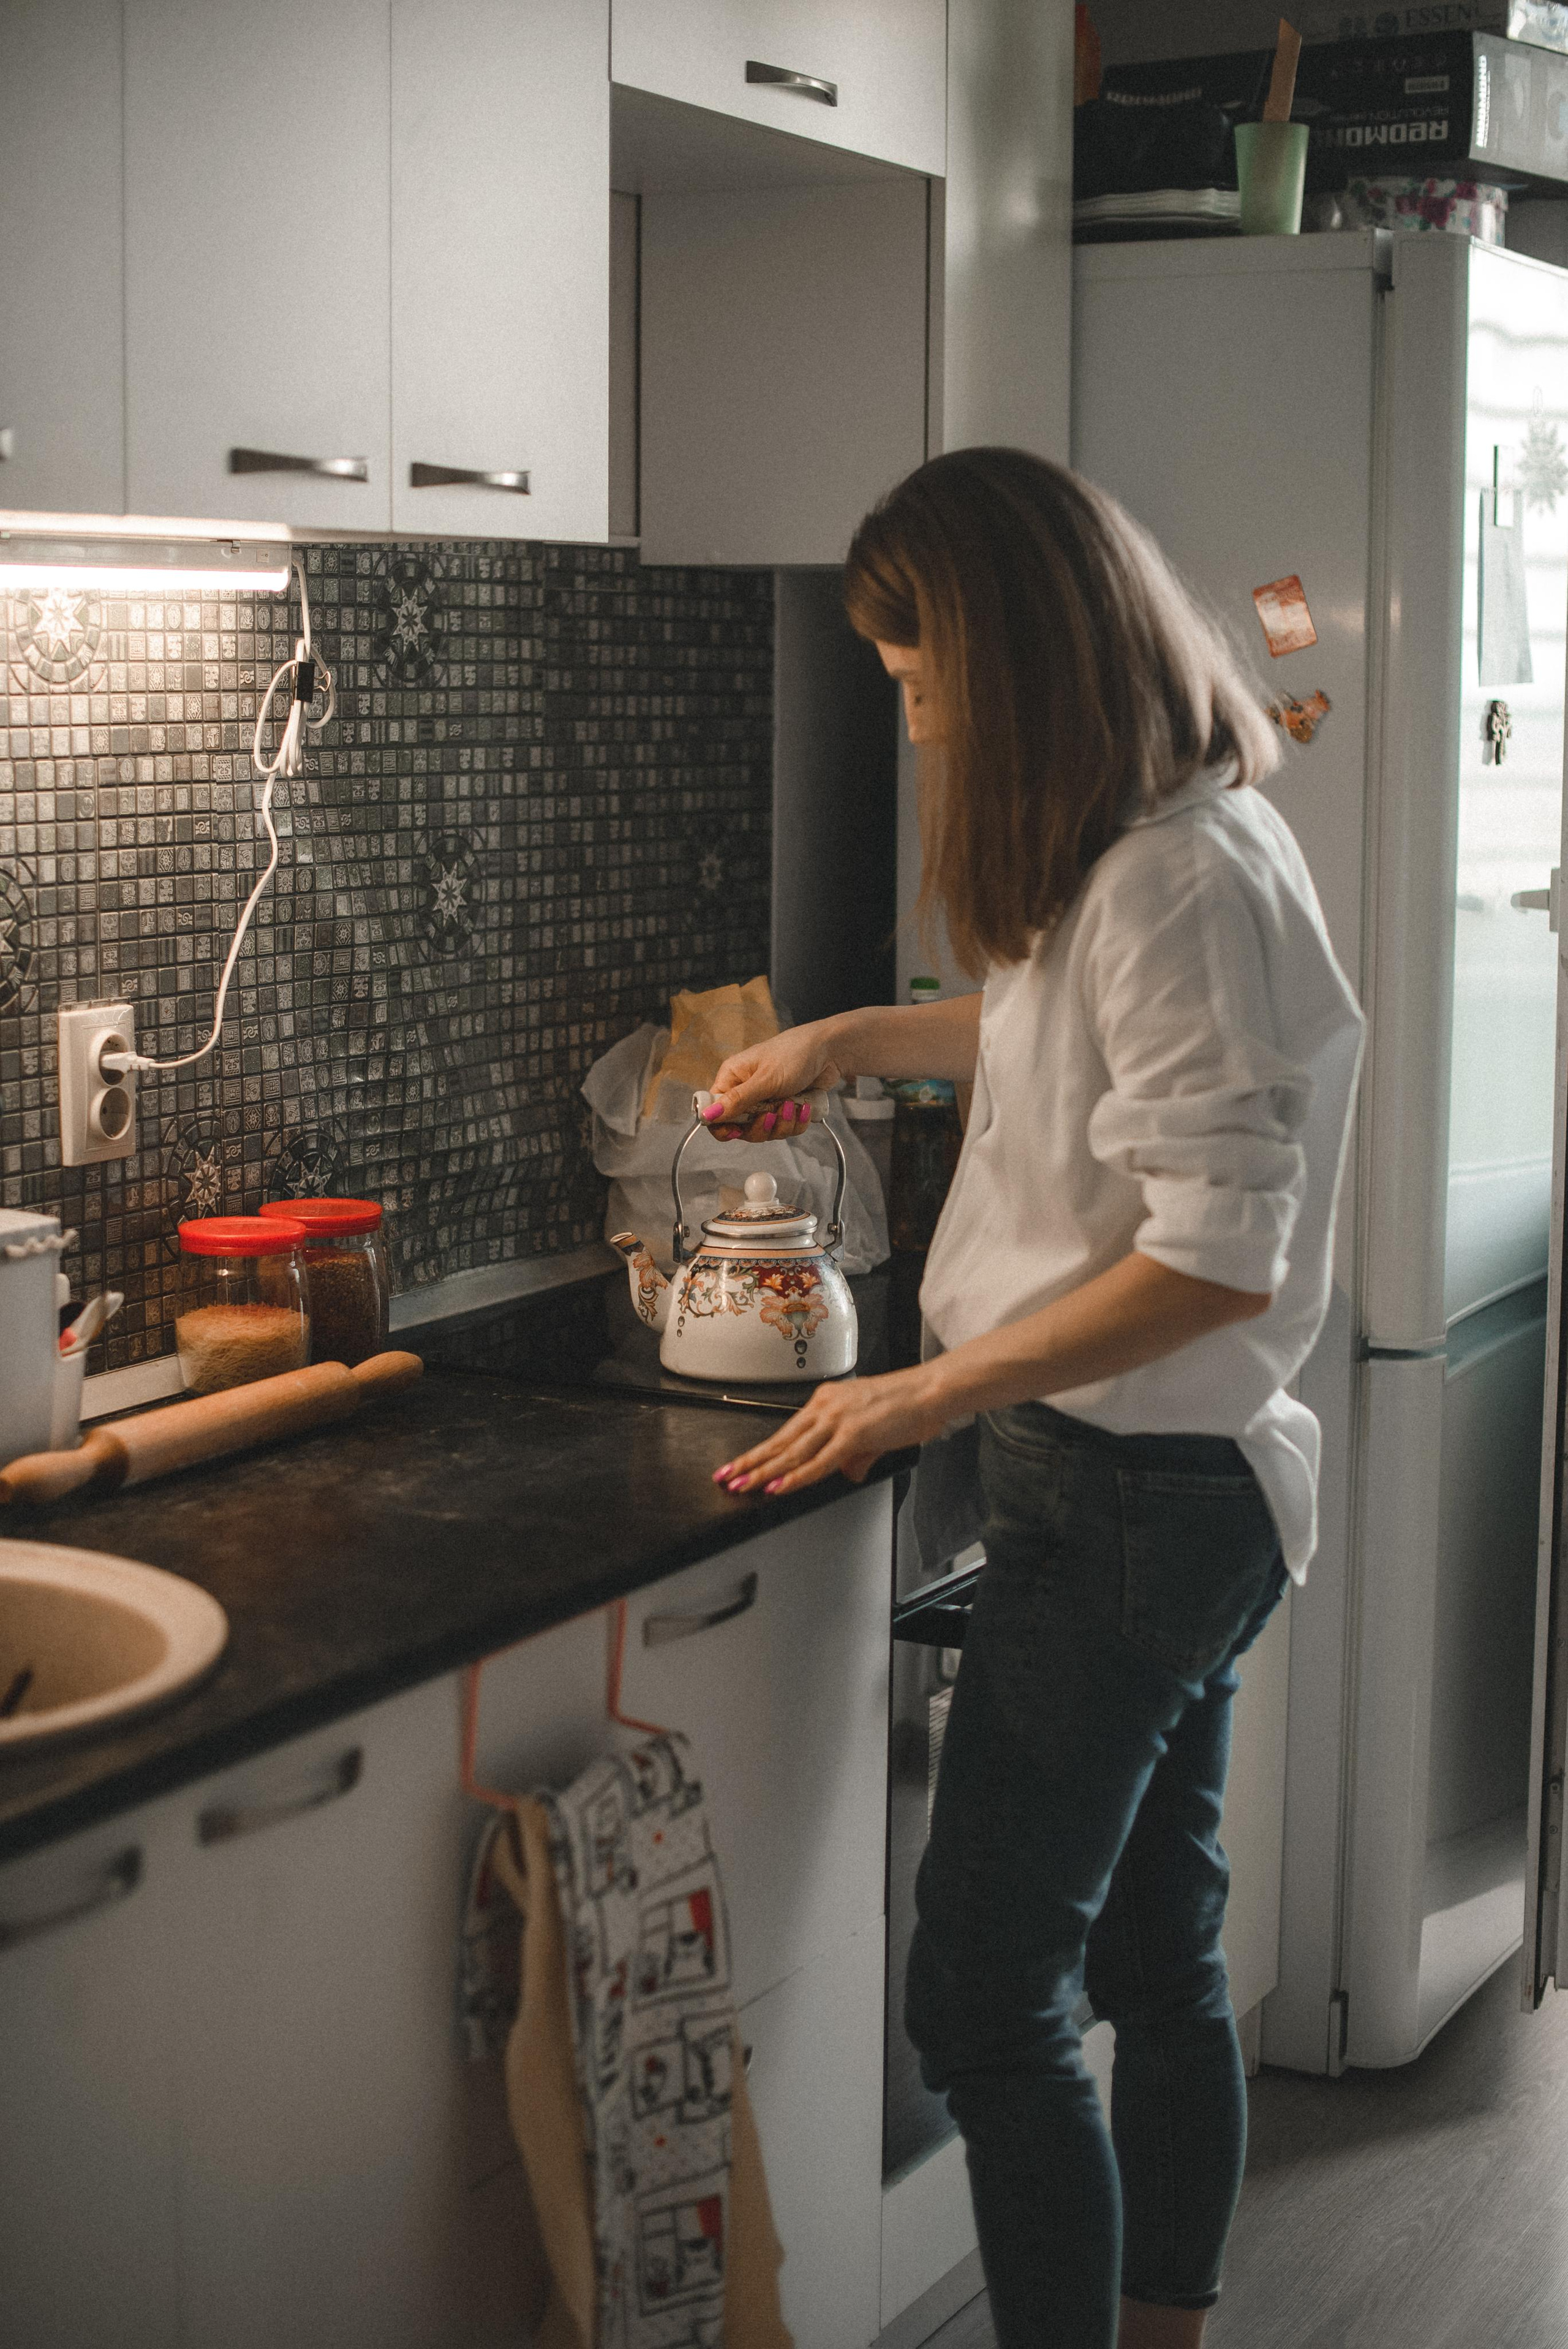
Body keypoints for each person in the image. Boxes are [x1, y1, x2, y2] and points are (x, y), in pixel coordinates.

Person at [701, 448, 1364, 2349]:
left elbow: (1214, 1255)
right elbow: (1033, 1029)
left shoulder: (1174, 881)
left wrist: (919, 1396)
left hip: (1134, 1499)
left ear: (1006, 661)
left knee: (987, 2003)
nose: (905, 719)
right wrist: (843, 1040)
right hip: (1172, 1488)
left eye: (916, 680)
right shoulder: (1150, 843)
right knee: (1162, 1961)